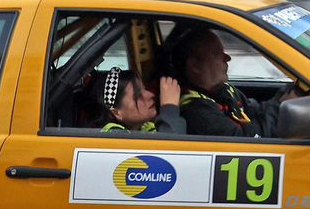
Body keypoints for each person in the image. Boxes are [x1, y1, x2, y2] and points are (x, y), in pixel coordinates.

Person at [169, 28, 297, 137]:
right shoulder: (195, 109)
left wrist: (282, 100)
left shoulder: (223, 89)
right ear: (195, 65)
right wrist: (279, 107)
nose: (228, 58)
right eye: (217, 53)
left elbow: (254, 112)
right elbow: (245, 140)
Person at [81, 67, 186, 134]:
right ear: (116, 112)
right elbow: (170, 156)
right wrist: (169, 109)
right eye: (138, 95)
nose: (150, 94)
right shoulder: (112, 137)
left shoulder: (145, 128)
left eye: (144, 89)